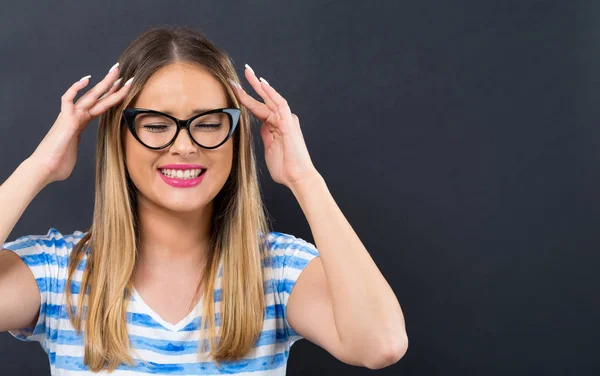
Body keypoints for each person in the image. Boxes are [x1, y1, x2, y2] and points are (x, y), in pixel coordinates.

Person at [0, 25, 408, 375]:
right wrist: (40, 166)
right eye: (157, 125)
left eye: (210, 124)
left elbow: (381, 344)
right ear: (118, 140)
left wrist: (304, 179)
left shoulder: (277, 272)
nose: (184, 146)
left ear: (235, 137)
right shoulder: (60, 273)